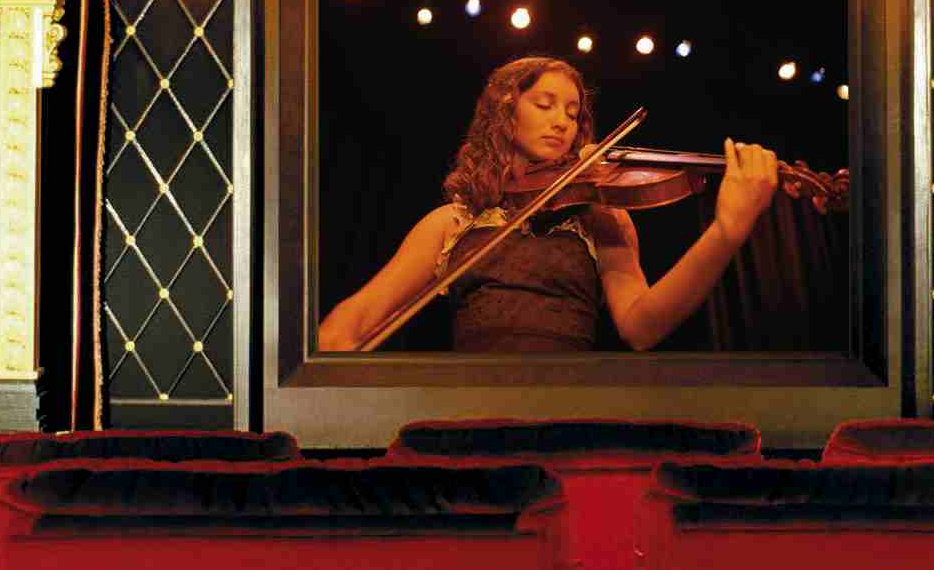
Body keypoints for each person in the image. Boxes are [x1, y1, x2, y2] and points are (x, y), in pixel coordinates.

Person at [315, 55, 781, 353]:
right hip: (468, 406)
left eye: (573, 113)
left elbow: (642, 327)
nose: (562, 121)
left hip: (566, 406)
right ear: (505, 112)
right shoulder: (453, 221)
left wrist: (726, 232)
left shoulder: (602, 219)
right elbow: (348, 326)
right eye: (545, 104)